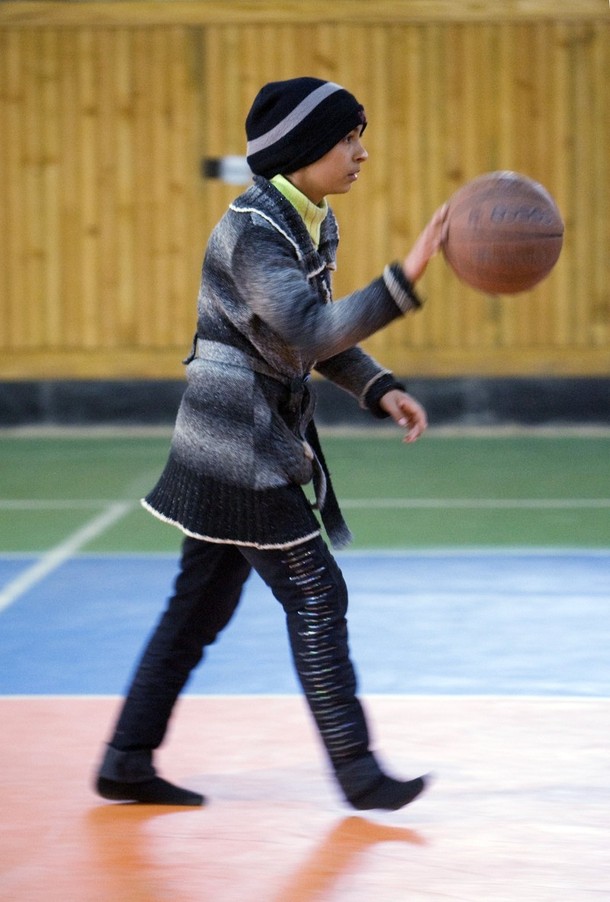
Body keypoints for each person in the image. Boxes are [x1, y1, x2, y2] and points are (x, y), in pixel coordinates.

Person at [95, 77, 447, 810]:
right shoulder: (254, 230)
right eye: (348, 138)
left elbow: (309, 337)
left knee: (198, 608)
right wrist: (407, 274)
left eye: (359, 136)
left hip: (233, 441)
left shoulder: (309, 220)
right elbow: (311, 329)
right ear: (304, 149)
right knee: (317, 593)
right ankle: (359, 773)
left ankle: (126, 759)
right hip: (239, 448)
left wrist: (377, 385)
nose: (362, 152)